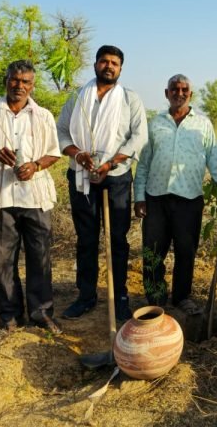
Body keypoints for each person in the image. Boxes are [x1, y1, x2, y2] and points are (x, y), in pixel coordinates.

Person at [0, 60, 62, 334]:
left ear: (32, 85)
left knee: (40, 257)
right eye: (15, 80)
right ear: (6, 81)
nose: (20, 86)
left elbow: (54, 152)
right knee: (4, 259)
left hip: (36, 197)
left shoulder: (43, 115)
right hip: (1, 198)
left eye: (26, 82)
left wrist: (35, 166)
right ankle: (10, 315)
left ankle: (41, 313)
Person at [134, 74, 217, 315]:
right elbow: (144, 163)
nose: (179, 93)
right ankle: (155, 296)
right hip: (156, 197)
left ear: (190, 94)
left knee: (186, 250)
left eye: (184, 90)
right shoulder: (154, 124)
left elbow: (214, 161)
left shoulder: (203, 124)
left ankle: (182, 297)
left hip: (189, 198)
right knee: (152, 251)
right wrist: (139, 196)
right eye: (174, 89)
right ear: (166, 93)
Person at [57, 45, 147, 322]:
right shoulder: (77, 97)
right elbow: (61, 131)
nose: (109, 66)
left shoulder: (129, 99)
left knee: (117, 240)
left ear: (121, 69)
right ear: (95, 64)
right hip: (82, 176)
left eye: (115, 63)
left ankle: (119, 297)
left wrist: (111, 164)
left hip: (116, 177)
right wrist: (78, 155)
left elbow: (138, 137)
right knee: (86, 239)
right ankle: (86, 296)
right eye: (104, 61)